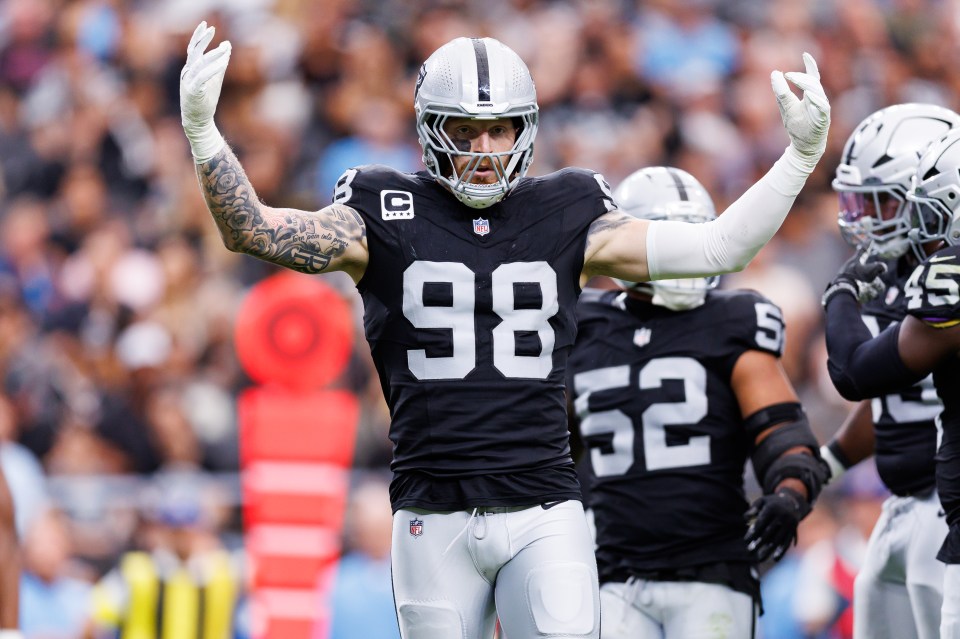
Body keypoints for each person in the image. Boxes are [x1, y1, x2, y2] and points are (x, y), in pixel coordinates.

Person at [180, 21, 831, 639]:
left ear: (527, 129)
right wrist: (205, 133)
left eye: (501, 131)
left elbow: (717, 248)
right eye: (466, 131)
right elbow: (254, 230)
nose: (485, 151)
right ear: (431, 129)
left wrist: (800, 156)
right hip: (432, 512)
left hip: (542, 510)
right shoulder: (382, 206)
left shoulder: (568, 209)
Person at [567, 166, 825, 638]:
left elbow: (782, 432)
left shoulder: (732, 319)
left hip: (712, 566)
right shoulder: (584, 325)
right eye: (671, 238)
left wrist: (790, 492)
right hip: (611, 570)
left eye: (695, 235)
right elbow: (550, 444)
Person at [819, 103, 960, 639]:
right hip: (910, 500)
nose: (864, 217)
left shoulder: (942, 279)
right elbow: (888, 402)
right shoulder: (905, 277)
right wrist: (828, 464)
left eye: (879, 201)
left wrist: (840, 297)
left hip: (938, 503)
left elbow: (858, 374)